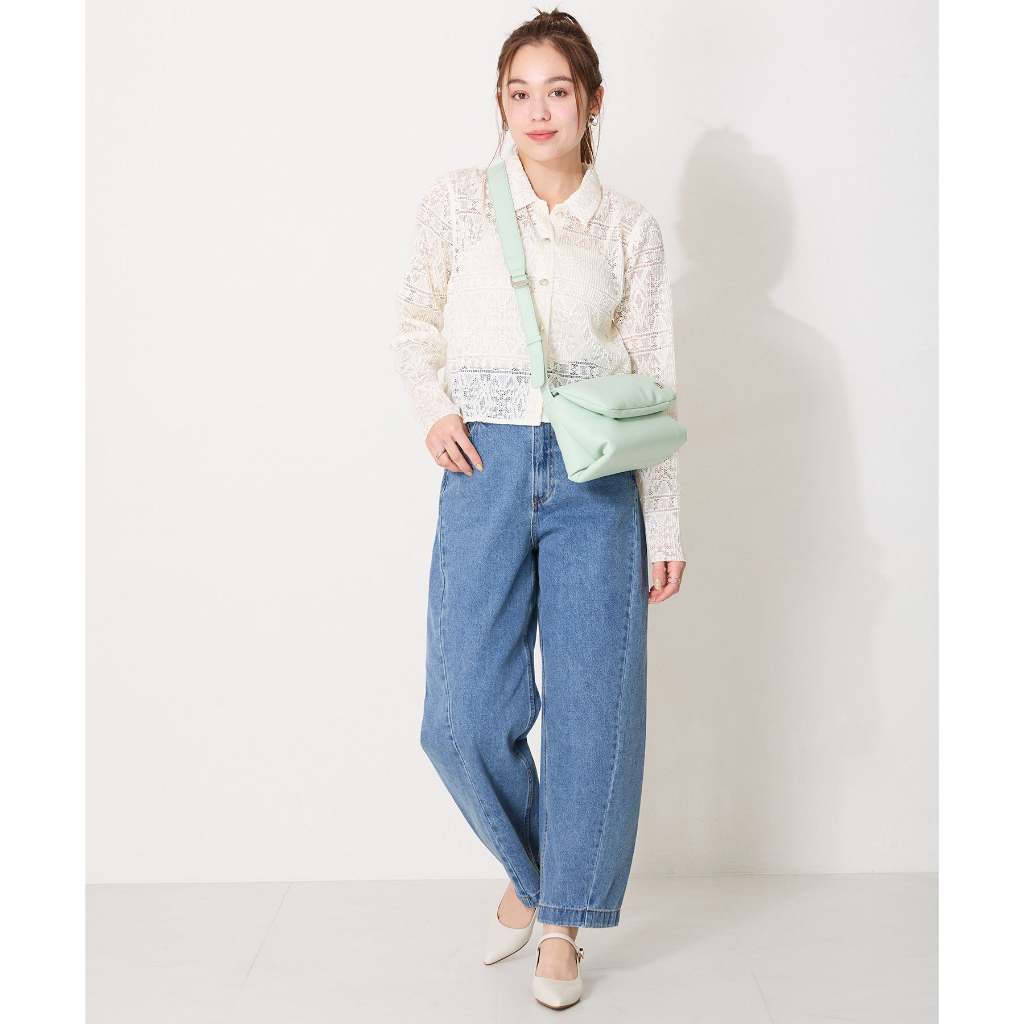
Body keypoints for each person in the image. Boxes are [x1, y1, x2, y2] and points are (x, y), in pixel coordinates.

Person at [391, 8, 687, 1010]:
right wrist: (434, 410)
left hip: (596, 476)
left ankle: (560, 926)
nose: (537, 111)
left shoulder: (628, 229)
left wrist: (666, 525)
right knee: (459, 718)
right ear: (500, 102)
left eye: (557, 90)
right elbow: (413, 323)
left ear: (592, 100)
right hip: (483, 462)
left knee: (595, 711)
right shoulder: (457, 205)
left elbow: (656, 385)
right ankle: (537, 877)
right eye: (518, 93)